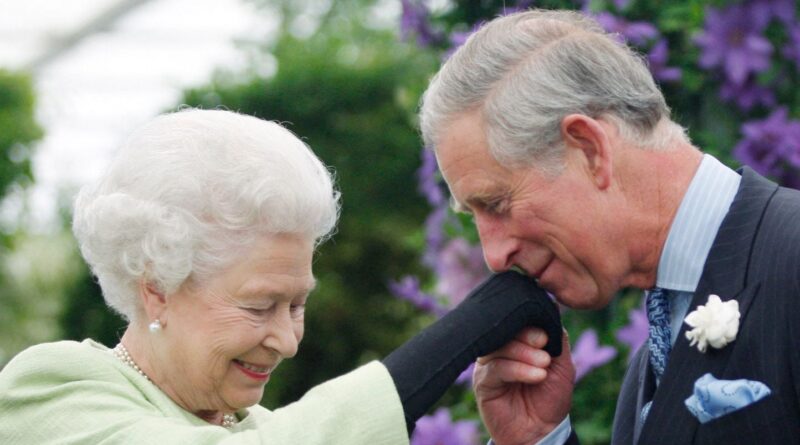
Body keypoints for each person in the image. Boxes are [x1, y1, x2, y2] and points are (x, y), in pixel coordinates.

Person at [0, 109, 562, 444]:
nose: (289, 342)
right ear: (157, 288)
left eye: (297, 306)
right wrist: (469, 330)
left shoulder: (262, 427)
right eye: (259, 306)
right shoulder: (49, 390)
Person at [420, 8, 800, 445]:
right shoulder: (648, 368)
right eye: (475, 216)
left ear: (589, 149)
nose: (493, 256)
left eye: (498, 204)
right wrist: (538, 438)